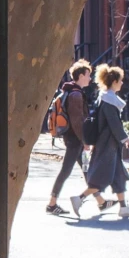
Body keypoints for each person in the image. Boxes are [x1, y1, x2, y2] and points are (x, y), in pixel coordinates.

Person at [71, 64, 129, 219]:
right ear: (114, 81)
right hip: (107, 144)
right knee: (101, 176)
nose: (122, 83)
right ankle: (79, 199)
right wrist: (128, 141)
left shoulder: (108, 98)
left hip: (110, 144)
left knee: (118, 176)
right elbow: (115, 125)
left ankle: (123, 208)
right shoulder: (109, 100)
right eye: (120, 80)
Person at [46, 59, 93, 216]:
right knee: (66, 171)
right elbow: (77, 122)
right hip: (75, 140)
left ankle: (100, 200)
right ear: (80, 76)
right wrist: (85, 141)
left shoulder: (71, 92)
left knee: (87, 169)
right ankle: (52, 204)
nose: (90, 78)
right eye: (88, 75)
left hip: (74, 139)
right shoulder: (75, 95)